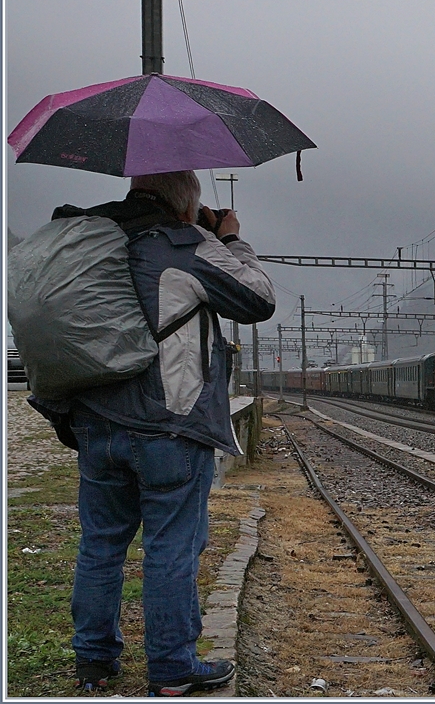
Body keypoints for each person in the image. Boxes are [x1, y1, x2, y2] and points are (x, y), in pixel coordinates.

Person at [27, 170, 275, 696]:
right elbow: (258, 300)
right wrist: (227, 237)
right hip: (168, 425)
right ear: (186, 204)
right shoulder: (182, 246)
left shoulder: (95, 240)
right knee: (171, 549)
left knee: (100, 546)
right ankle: (172, 670)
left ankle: (93, 662)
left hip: (95, 423)